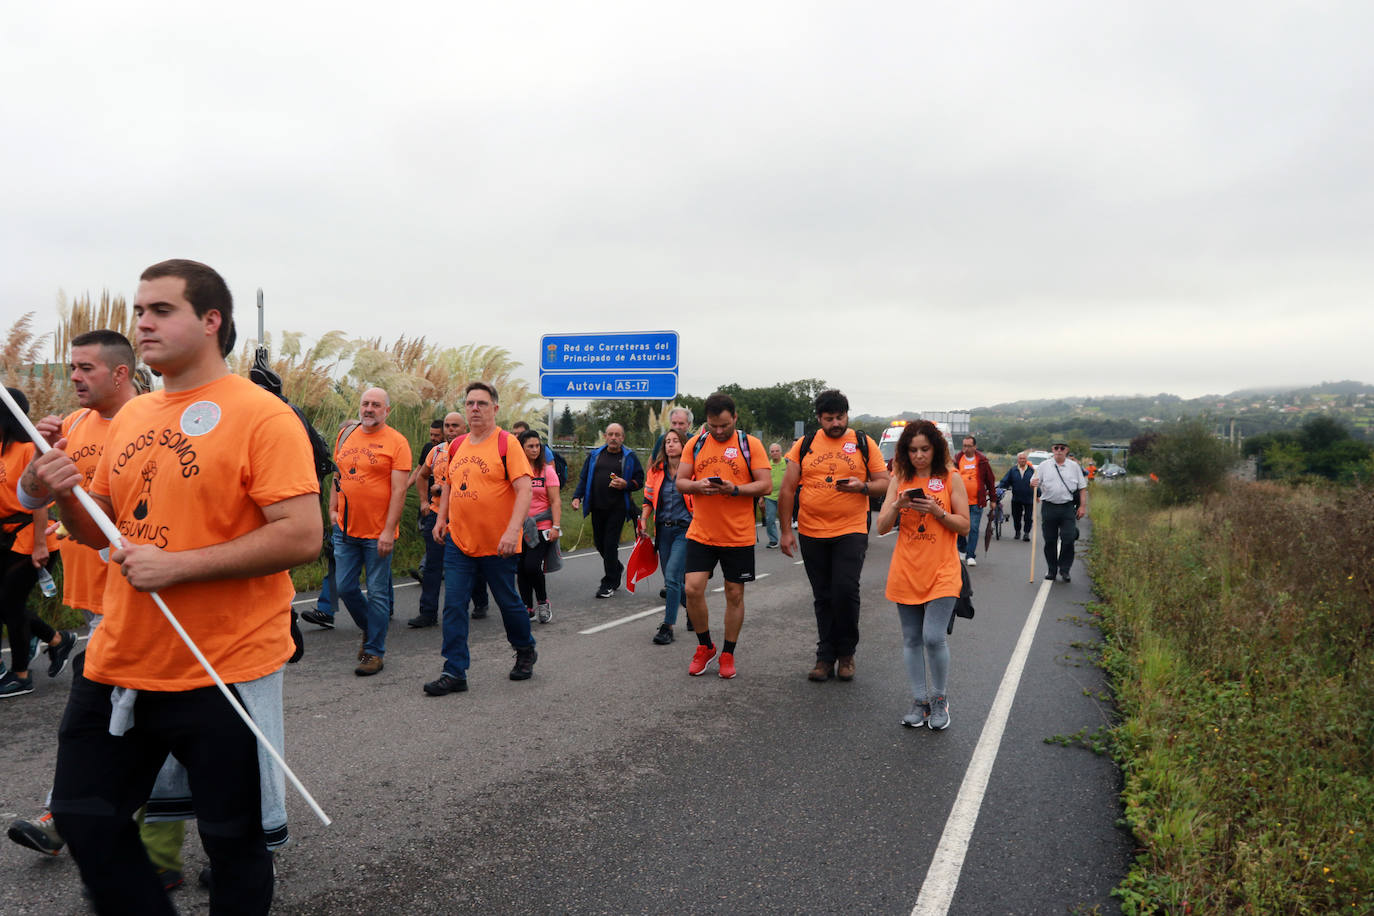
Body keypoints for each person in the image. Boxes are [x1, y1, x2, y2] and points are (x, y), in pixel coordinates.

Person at [25, 258, 320, 914]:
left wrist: (178, 565)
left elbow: (301, 535)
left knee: (233, 846)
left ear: (211, 321)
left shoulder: (262, 417)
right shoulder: (132, 416)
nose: (143, 323)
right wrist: (63, 492)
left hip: (222, 669)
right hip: (120, 660)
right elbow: (102, 532)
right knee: (82, 817)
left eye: (161, 310)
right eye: (138, 310)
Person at [7, 331, 146, 858]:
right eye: (72, 368)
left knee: (104, 716)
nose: (73, 378)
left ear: (119, 373)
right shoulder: (71, 424)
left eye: (85, 368)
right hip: (93, 592)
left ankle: (65, 814)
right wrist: (40, 465)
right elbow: (28, 495)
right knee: (118, 716)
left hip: (140, 591)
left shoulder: (150, 421)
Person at [423, 382, 538, 696]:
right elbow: (448, 483)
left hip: (498, 544)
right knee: (454, 606)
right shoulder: (457, 445)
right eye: (470, 403)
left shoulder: (506, 444)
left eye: (482, 404)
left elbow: (524, 489)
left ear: (495, 409)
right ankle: (454, 671)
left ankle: (525, 649)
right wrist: (442, 518)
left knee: (508, 602)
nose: (475, 408)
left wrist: (513, 531)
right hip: (460, 542)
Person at [777, 389, 890, 682]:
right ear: (819, 419)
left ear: (847, 415)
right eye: (829, 419)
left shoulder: (863, 443)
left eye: (840, 417)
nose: (835, 423)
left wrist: (862, 486)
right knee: (823, 595)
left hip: (850, 529)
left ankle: (847, 652)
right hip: (812, 531)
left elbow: (884, 483)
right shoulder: (804, 445)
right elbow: (788, 489)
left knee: (844, 590)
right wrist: (786, 531)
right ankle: (825, 656)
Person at [875, 420, 969, 731]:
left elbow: (964, 525)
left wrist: (937, 512)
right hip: (906, 569)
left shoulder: (951, 478)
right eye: (912, 450)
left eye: (924, 449)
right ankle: (920, 701)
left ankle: (940, 699)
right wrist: (898, 504)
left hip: (943, 569)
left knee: (933, 636)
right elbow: (881, 527)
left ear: (936, 448)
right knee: (912, 639)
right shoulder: (899, 478)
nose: (918, 456)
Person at [675, 392, 771, 679]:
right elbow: (680, 481)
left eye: (724, 426)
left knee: (734, 594)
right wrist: (697, 486)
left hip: (738, 535)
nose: (718, 431)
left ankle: (728, 653)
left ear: (735, 419)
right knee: (692, 588)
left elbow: (765, 485)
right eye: (713, 425)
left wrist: (736, 489)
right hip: (702, 531)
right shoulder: (696, 442)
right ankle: (705, 646)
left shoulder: (750, 444)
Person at [320, 387, 411, 676]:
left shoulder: (397, 442)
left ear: (387, 411)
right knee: (346, 587)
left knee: (378, 592)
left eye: (376, 405)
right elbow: (338, 474)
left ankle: (373, 652)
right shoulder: (346, 435)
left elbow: (398, 491)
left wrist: (388, 530)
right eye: (365, 403)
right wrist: (332, 509)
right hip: (345, 530)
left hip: (377, 534)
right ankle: (372, 630)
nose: (369, 408)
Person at [0, 387, 64, 699]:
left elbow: (39, 501)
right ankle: (55, 641)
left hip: (33, 537)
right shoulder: (1, 447)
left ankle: (21, 675)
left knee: (10, 604)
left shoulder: (28, 448)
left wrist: (40, 544)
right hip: (7, 538)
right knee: (6, 603)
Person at [571, 422, 644, 599]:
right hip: (597, 506)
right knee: (600, 543)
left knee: (610, 545)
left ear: (622, 438)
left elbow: (639, 479)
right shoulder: (595, 455)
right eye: (610, 434)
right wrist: (576, 497)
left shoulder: (629, 456)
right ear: (605, 436)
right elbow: (583, 478)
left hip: (618, 508)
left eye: (617, 435)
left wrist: (626, 484)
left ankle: (609, 582)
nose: (613, 438)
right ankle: (617, 567)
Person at [407, 411, 466, 628]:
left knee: (467, 564)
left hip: (463, 515)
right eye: (447, 426)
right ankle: (428, 612)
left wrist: (444, 488)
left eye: (455, 426)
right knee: (433, 565)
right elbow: (422, 476)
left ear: (464, 428)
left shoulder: (471, 449)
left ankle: (477, 603)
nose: (450, 430)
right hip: (435, 513)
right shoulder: (436, 451)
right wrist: (423, 502)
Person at [640, 428, 692, 645]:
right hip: (663, 530)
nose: (670, 445)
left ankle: (667, 626)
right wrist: (643, 519)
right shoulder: (656, 470)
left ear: (684, 445)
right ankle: (693, 608)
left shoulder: (693, 470)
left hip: (685, 530)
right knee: (674, 581)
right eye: (667, 442)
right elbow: (648, 498)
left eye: (675, 441)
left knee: (671, 577)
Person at [516, 429, 560, 623]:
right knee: (521, 568)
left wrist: (556, 527)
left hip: (542, 526)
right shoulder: (515, 472)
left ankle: (543, 601)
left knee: (532, 566)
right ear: (521, 449)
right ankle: (527, 607)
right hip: (519, 526)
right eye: (530, 446)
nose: (534, 450)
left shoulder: (547, 471)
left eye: (537, 446)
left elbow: (555, 501)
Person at [1030, 440, 1089, 583]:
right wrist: (1033, 484)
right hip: (1049, 507)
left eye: (1062, 448)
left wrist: (1082, 506)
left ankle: (1065, 569)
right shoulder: (1044, 465)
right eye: (1056, 448)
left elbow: (1082, 488)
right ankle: (1052, 569)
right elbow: (1033, 483)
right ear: (1052, 449)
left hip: (1067, 507)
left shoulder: (1074, 467)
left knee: (1068, 538)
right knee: (1050, 540)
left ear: (1067, 450)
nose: (1059, 450)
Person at [954, 435, 997, 567]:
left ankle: (971, 555)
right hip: (959, 500)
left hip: (976, 501)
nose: (966, 448)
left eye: (968, 446)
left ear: (974, 447)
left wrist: (993, 500)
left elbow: (990, 480)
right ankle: (961, 548)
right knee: (960, 528)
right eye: (964, 445)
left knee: (973, 528)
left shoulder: (982, 461)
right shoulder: (957, 459)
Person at [998, 451, 1036, 541]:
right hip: (1016, 498)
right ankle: (1017, 531)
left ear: (1026, 460)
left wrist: (1038, 494)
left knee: (1028, 517)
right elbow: (1005, 481)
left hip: (1029, 498)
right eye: (1020, 458)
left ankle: (1026, 533)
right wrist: (1000, 488)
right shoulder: (1013, 470)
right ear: (1018, 460)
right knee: (1016, 516)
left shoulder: (1032, 470)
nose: (1022, 460)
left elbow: (1036, 483)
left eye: (1024, 458)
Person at [761, 442, 785, 548]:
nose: (774, 453)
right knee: (770, 519)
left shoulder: (787, 463)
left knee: (784, 520)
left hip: (784, 497)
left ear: (781, 452)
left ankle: (786, 538)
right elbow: (763, 481)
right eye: (772, 451)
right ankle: (773, 540)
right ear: (769, 453)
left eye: (776, 451)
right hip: (770, 496)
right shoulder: (767, 465)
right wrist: (761, 497)